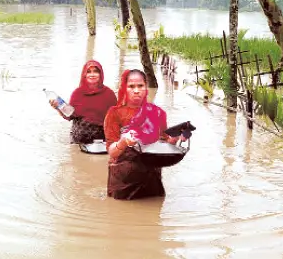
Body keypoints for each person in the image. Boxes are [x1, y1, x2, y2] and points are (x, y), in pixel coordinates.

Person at [104, 69, 183, 200]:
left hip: (151, 178)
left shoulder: (157, 113)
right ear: (125, 88)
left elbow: (162, 147)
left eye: (140, 86)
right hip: (124, 179)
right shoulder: (114, 113)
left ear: (146, 88)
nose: (136, 90)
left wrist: (174, 140)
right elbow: (112, 152)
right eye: (131, 86)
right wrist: (123, 142)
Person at [50, 60, 117, 144]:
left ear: (101, 74)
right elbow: (69, 116)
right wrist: (58, 108)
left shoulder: (109, 94)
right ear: (84, 75)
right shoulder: (77, 94)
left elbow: (116, 119)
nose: (92, 74)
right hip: (80, 139)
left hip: (102, 139)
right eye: (88, 72)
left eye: (95, 71)